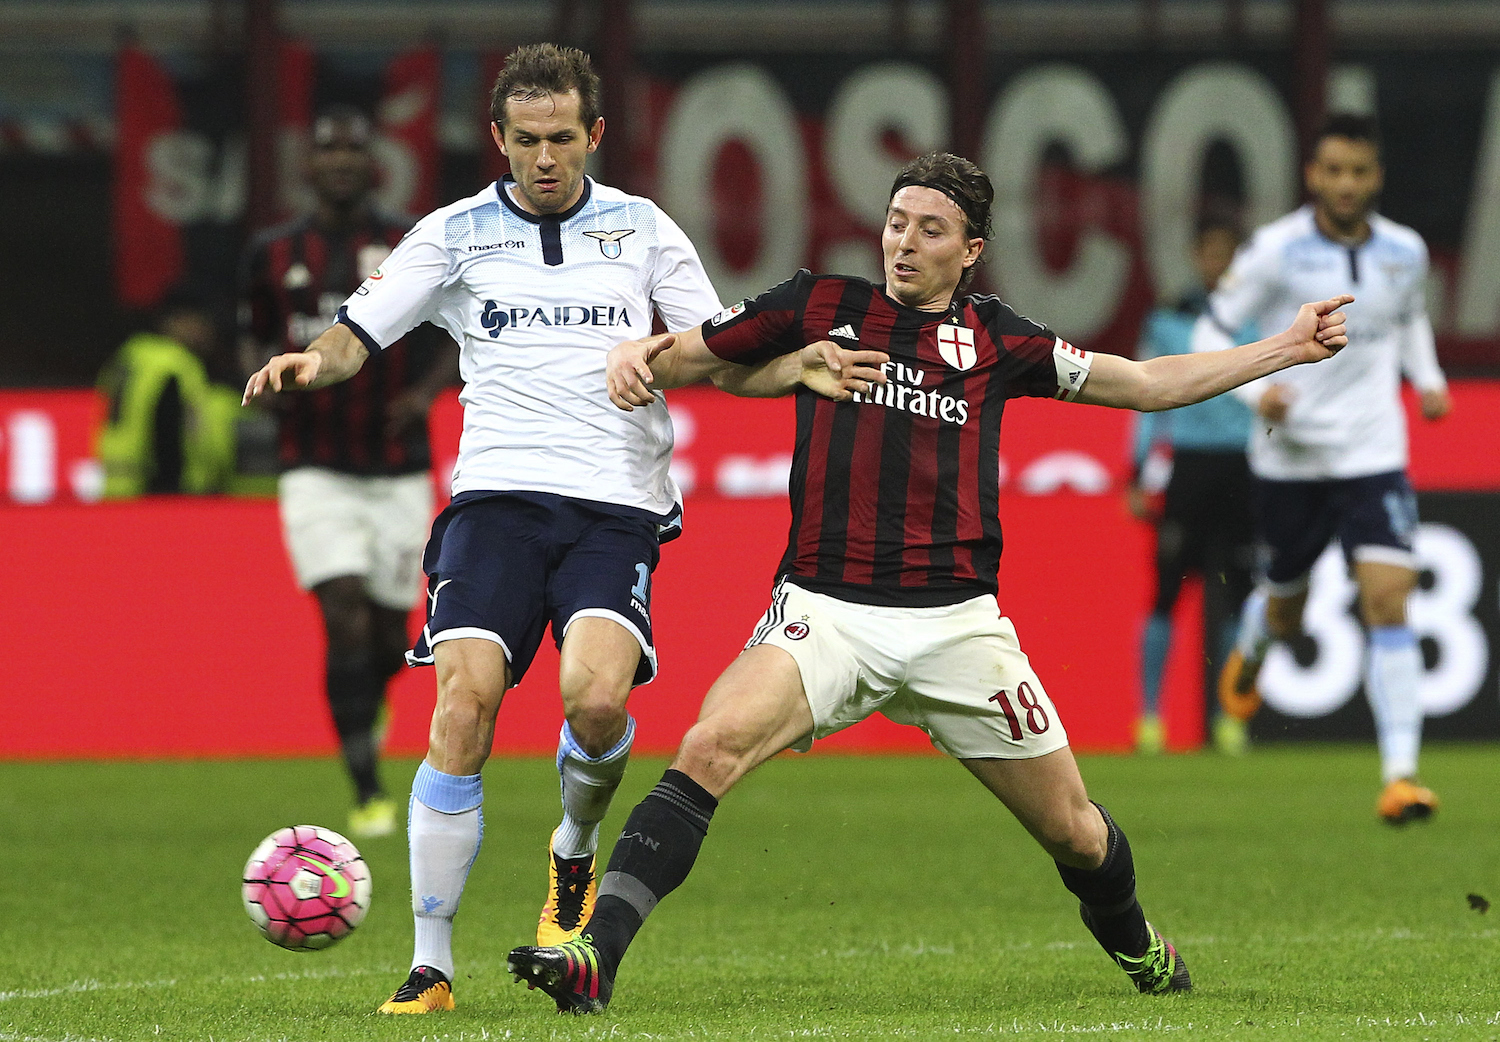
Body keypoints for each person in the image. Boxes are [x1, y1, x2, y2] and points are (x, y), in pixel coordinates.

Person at [504, 151, 1352, 1013]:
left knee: (1076, 832)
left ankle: (1141, 951)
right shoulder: (819, 306)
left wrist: (1285, 347)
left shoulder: (999, 341)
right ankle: (594, 960)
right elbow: (693, 359)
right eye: (896, 223)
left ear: (972, 248)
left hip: (958, 627)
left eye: (931, 230)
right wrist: (638, 357)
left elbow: (1139, 383)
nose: (904, 244)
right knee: (707, 748)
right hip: (826, 611)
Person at [244, 44, 877, 1016]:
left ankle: (571, 855)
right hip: (492, 501)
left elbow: (717, 351)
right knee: (463, 705)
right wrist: (307, 366)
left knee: (593, 703)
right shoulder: (453, 234)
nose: (546, 158)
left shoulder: (643, 229)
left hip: (613, 507)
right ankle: (430, 965)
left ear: (595, 136)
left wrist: (779, 368)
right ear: (497, 138)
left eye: (563, 139)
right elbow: (357, 332)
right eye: (527, 140)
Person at [1193, 114, 1451, 824]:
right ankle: (1256, 645)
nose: (1346, 183)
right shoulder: (1274, 251)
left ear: (1376, 177)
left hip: (1374, 453)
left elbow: (1408, 318)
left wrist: (1426, 378)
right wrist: (1254, 389)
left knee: (1389, 598)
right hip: (1290, 457)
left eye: (1359, 172)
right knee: (1286, 603)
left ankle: (1400, 776)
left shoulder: (1406, 251)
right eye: (1333, 170)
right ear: (1313, 175)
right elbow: (1210, 328)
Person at [241, 105, 460, 843]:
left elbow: (457, 334)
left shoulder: (411, 243)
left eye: (351, 149)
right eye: (324, 148)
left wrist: (424, 394)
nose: (338, 162)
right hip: (314, 465)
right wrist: (269, 388)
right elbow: (249, 342)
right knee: (339, 613)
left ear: (373, 163)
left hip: (398, 466)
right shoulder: (272, 252)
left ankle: (370, 694)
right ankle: (365, 784)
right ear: (307, 165)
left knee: (390, 634)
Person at [1127, 217, 1256, 755]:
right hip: (1191, 468)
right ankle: (1150, 718)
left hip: (1243, 468)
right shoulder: (1169, 316)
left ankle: (1232, 718)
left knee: (1240, 598)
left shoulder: (1259, 314)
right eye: (1209, 253)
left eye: (1226, 254)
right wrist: (1137, 472)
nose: (1217, 263)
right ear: (1197, 255)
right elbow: (1144, 398)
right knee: (1166, 593)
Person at [97, 286, 239, 497]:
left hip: (118, 489)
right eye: (199, 322)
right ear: (175, 321)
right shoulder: (173, 365)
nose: (206, 331)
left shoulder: (131, 355)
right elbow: (167, 438)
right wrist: (172, 494)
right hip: (156, 493)